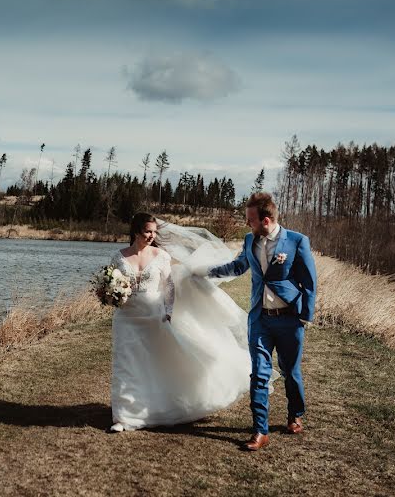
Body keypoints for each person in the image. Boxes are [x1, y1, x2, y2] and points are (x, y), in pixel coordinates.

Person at [108, 213, 250, 432]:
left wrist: (168, 311)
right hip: (126, 317)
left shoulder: (161, 256)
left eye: (154, 232)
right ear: (136, 231)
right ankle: (124, 417)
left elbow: (169, 287)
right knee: (126, 365)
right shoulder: (118, 257)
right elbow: (110, 284)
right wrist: (110, 295)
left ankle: (153, 407)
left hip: (153, 315)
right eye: (147, 231)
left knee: (153, 364)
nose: (151, 236)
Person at [198, 192, 317, 451]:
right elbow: (239, 266)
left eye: (250, 220)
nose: (247, 224)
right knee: (259, 375)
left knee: (290, 372)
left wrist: (305, 316)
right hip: (260, 319)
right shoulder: (251, 239)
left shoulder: (297, 241)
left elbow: (309, 282)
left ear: (265, 220)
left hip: (289, 320)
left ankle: (295, 415)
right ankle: (260, 431)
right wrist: (207, 271)